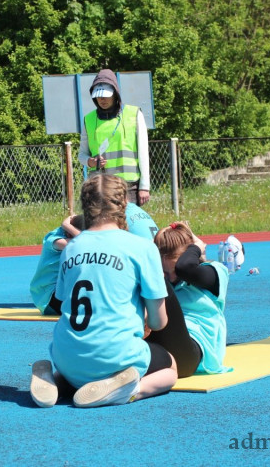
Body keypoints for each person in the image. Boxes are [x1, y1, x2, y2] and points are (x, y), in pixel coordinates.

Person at [30, 174, 176, 408]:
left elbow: (62, 301)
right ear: (123, 205)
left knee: (80, 371)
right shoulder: (142, 247)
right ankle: (127, 390)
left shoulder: (71, 248)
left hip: (65, 357)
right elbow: (159, 322)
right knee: (170, 369)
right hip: (116, 355)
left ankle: (54, 380)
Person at [151, 222, 231, 377]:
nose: (171, 278)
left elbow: (184, 268)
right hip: (164, 348)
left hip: (191, 355)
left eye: (173, 271)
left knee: (155, 283)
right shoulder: (169, 280)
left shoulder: (213, 274)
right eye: (164, 271)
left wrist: (197, 247)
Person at [78, 69, 151, 206]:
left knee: (126, 227)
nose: (102, 99)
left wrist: (144, 186)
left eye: (106, 95)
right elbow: (81, 154)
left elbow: (143, 153)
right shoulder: (89, 119)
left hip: (128, 187)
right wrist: (90, 162)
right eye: (99, 96)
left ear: (115, 94)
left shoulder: (133, 114)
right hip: (99, 187)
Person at [29, 214, 84, 315]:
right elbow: (86, 241)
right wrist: (66, 224)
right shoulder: (54, 240)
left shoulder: (73, 236)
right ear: (69, 233)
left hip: (60, 293)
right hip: (49, 299)